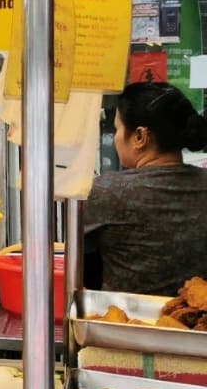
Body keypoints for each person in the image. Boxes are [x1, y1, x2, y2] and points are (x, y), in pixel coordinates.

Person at [83, 81, 207, 296]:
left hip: (123, 325)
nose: (115, 139)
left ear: (140, 137)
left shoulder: (106, 191)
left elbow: (78, 262)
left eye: (117, 129)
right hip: (195, 323)